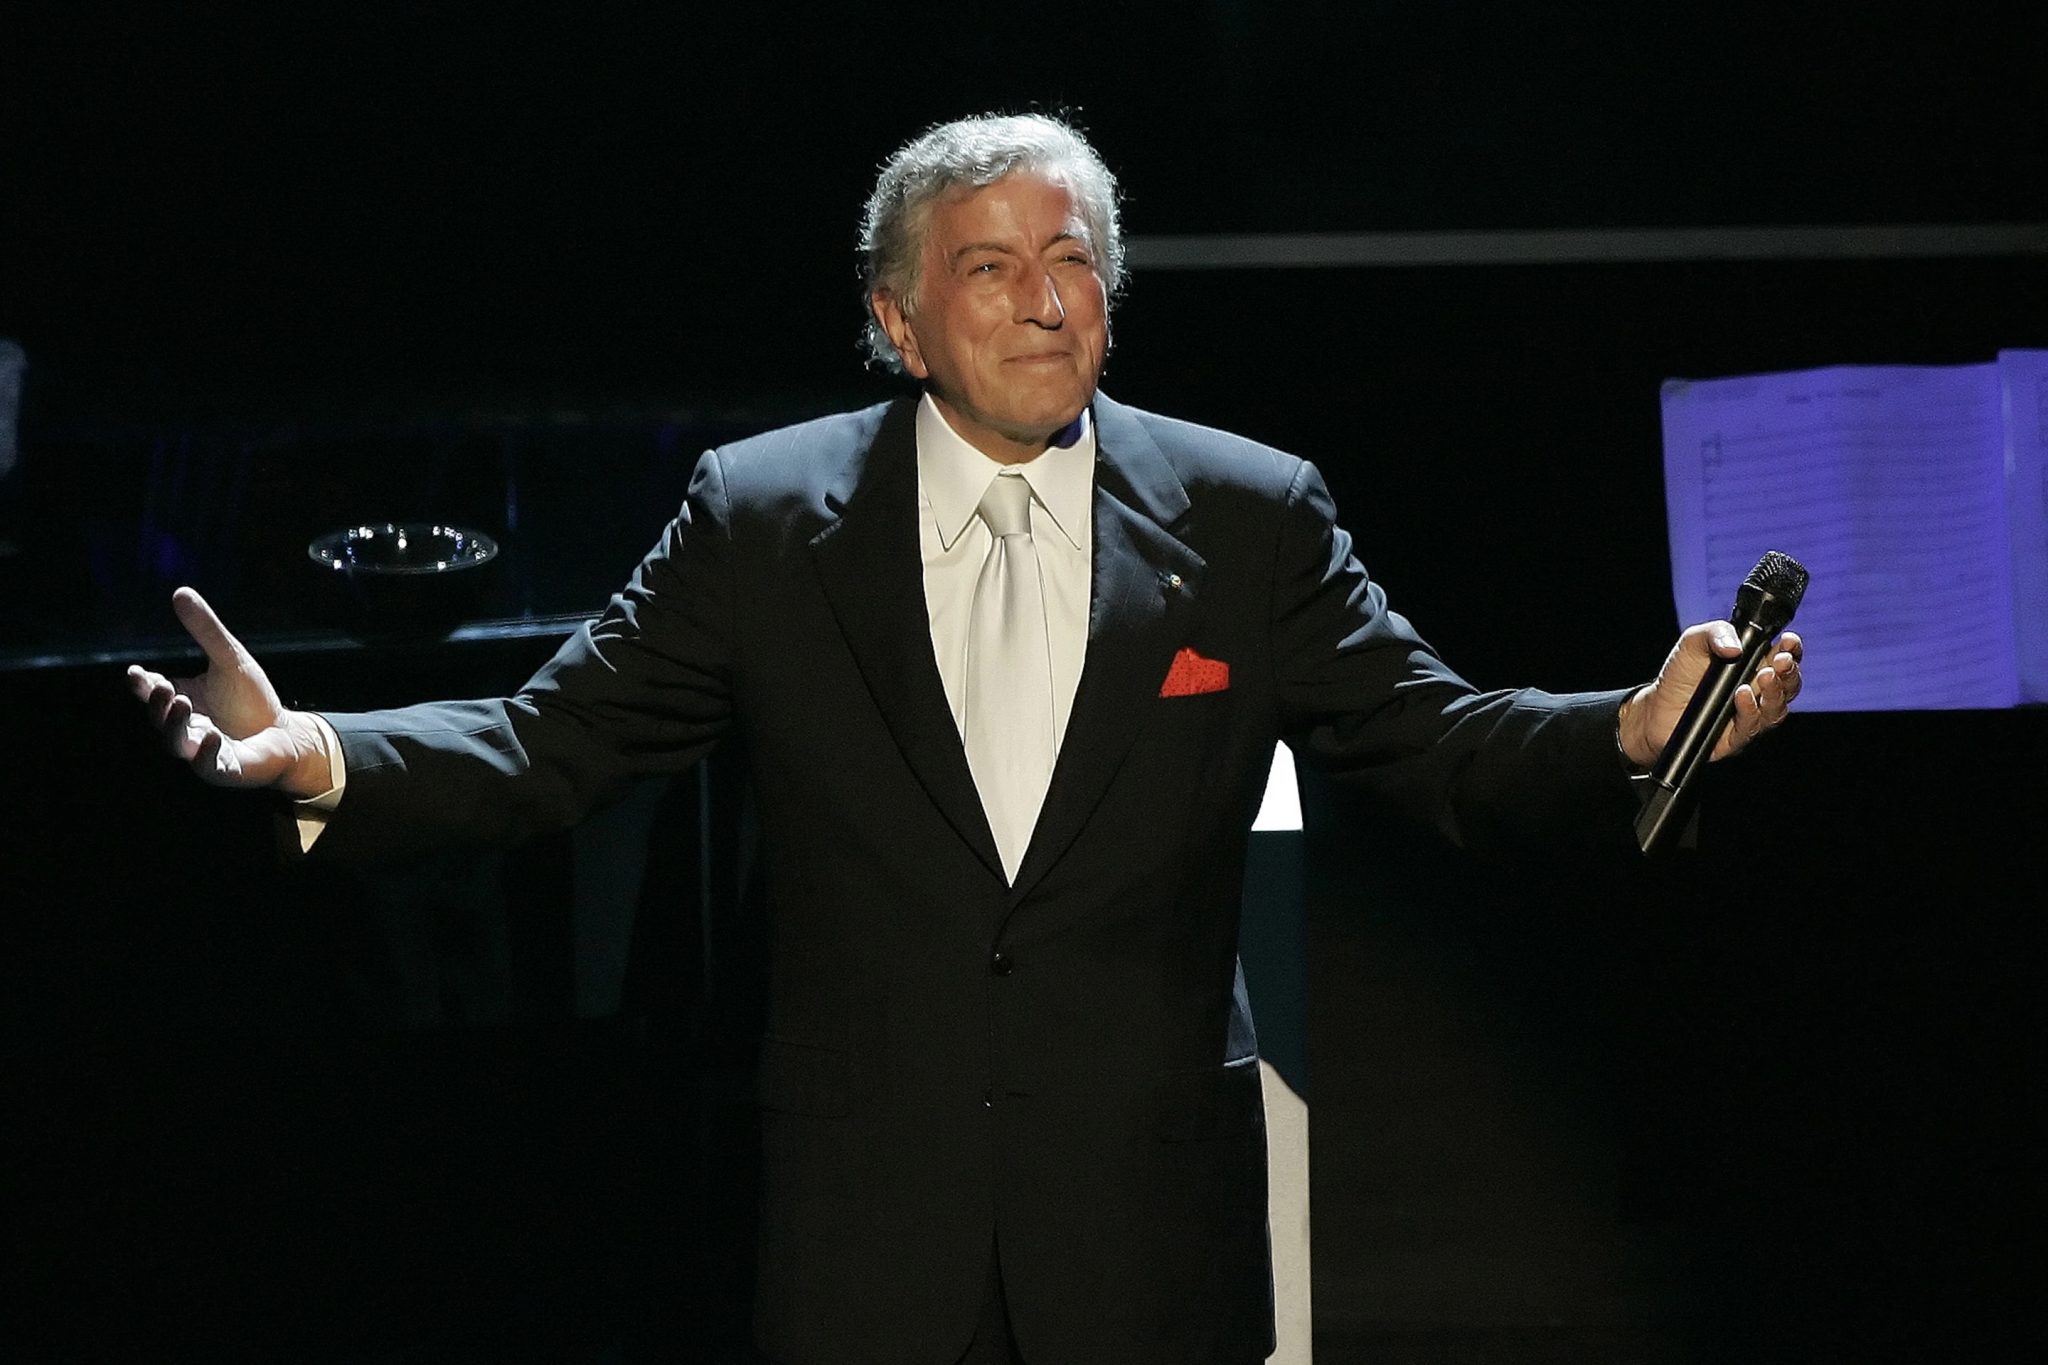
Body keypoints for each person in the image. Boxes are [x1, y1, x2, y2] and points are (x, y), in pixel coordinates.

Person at [127, 113, 1803, 1365]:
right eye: (990, 266)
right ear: (898, 321)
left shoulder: (1247, 511)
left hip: (1149, 1233)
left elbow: (1439, 740)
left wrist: (1629, 733)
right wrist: (327, 751)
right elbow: (552, 739)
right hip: (871, 1234)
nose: (1043, 300)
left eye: (1073, 260)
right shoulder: (765, 516)